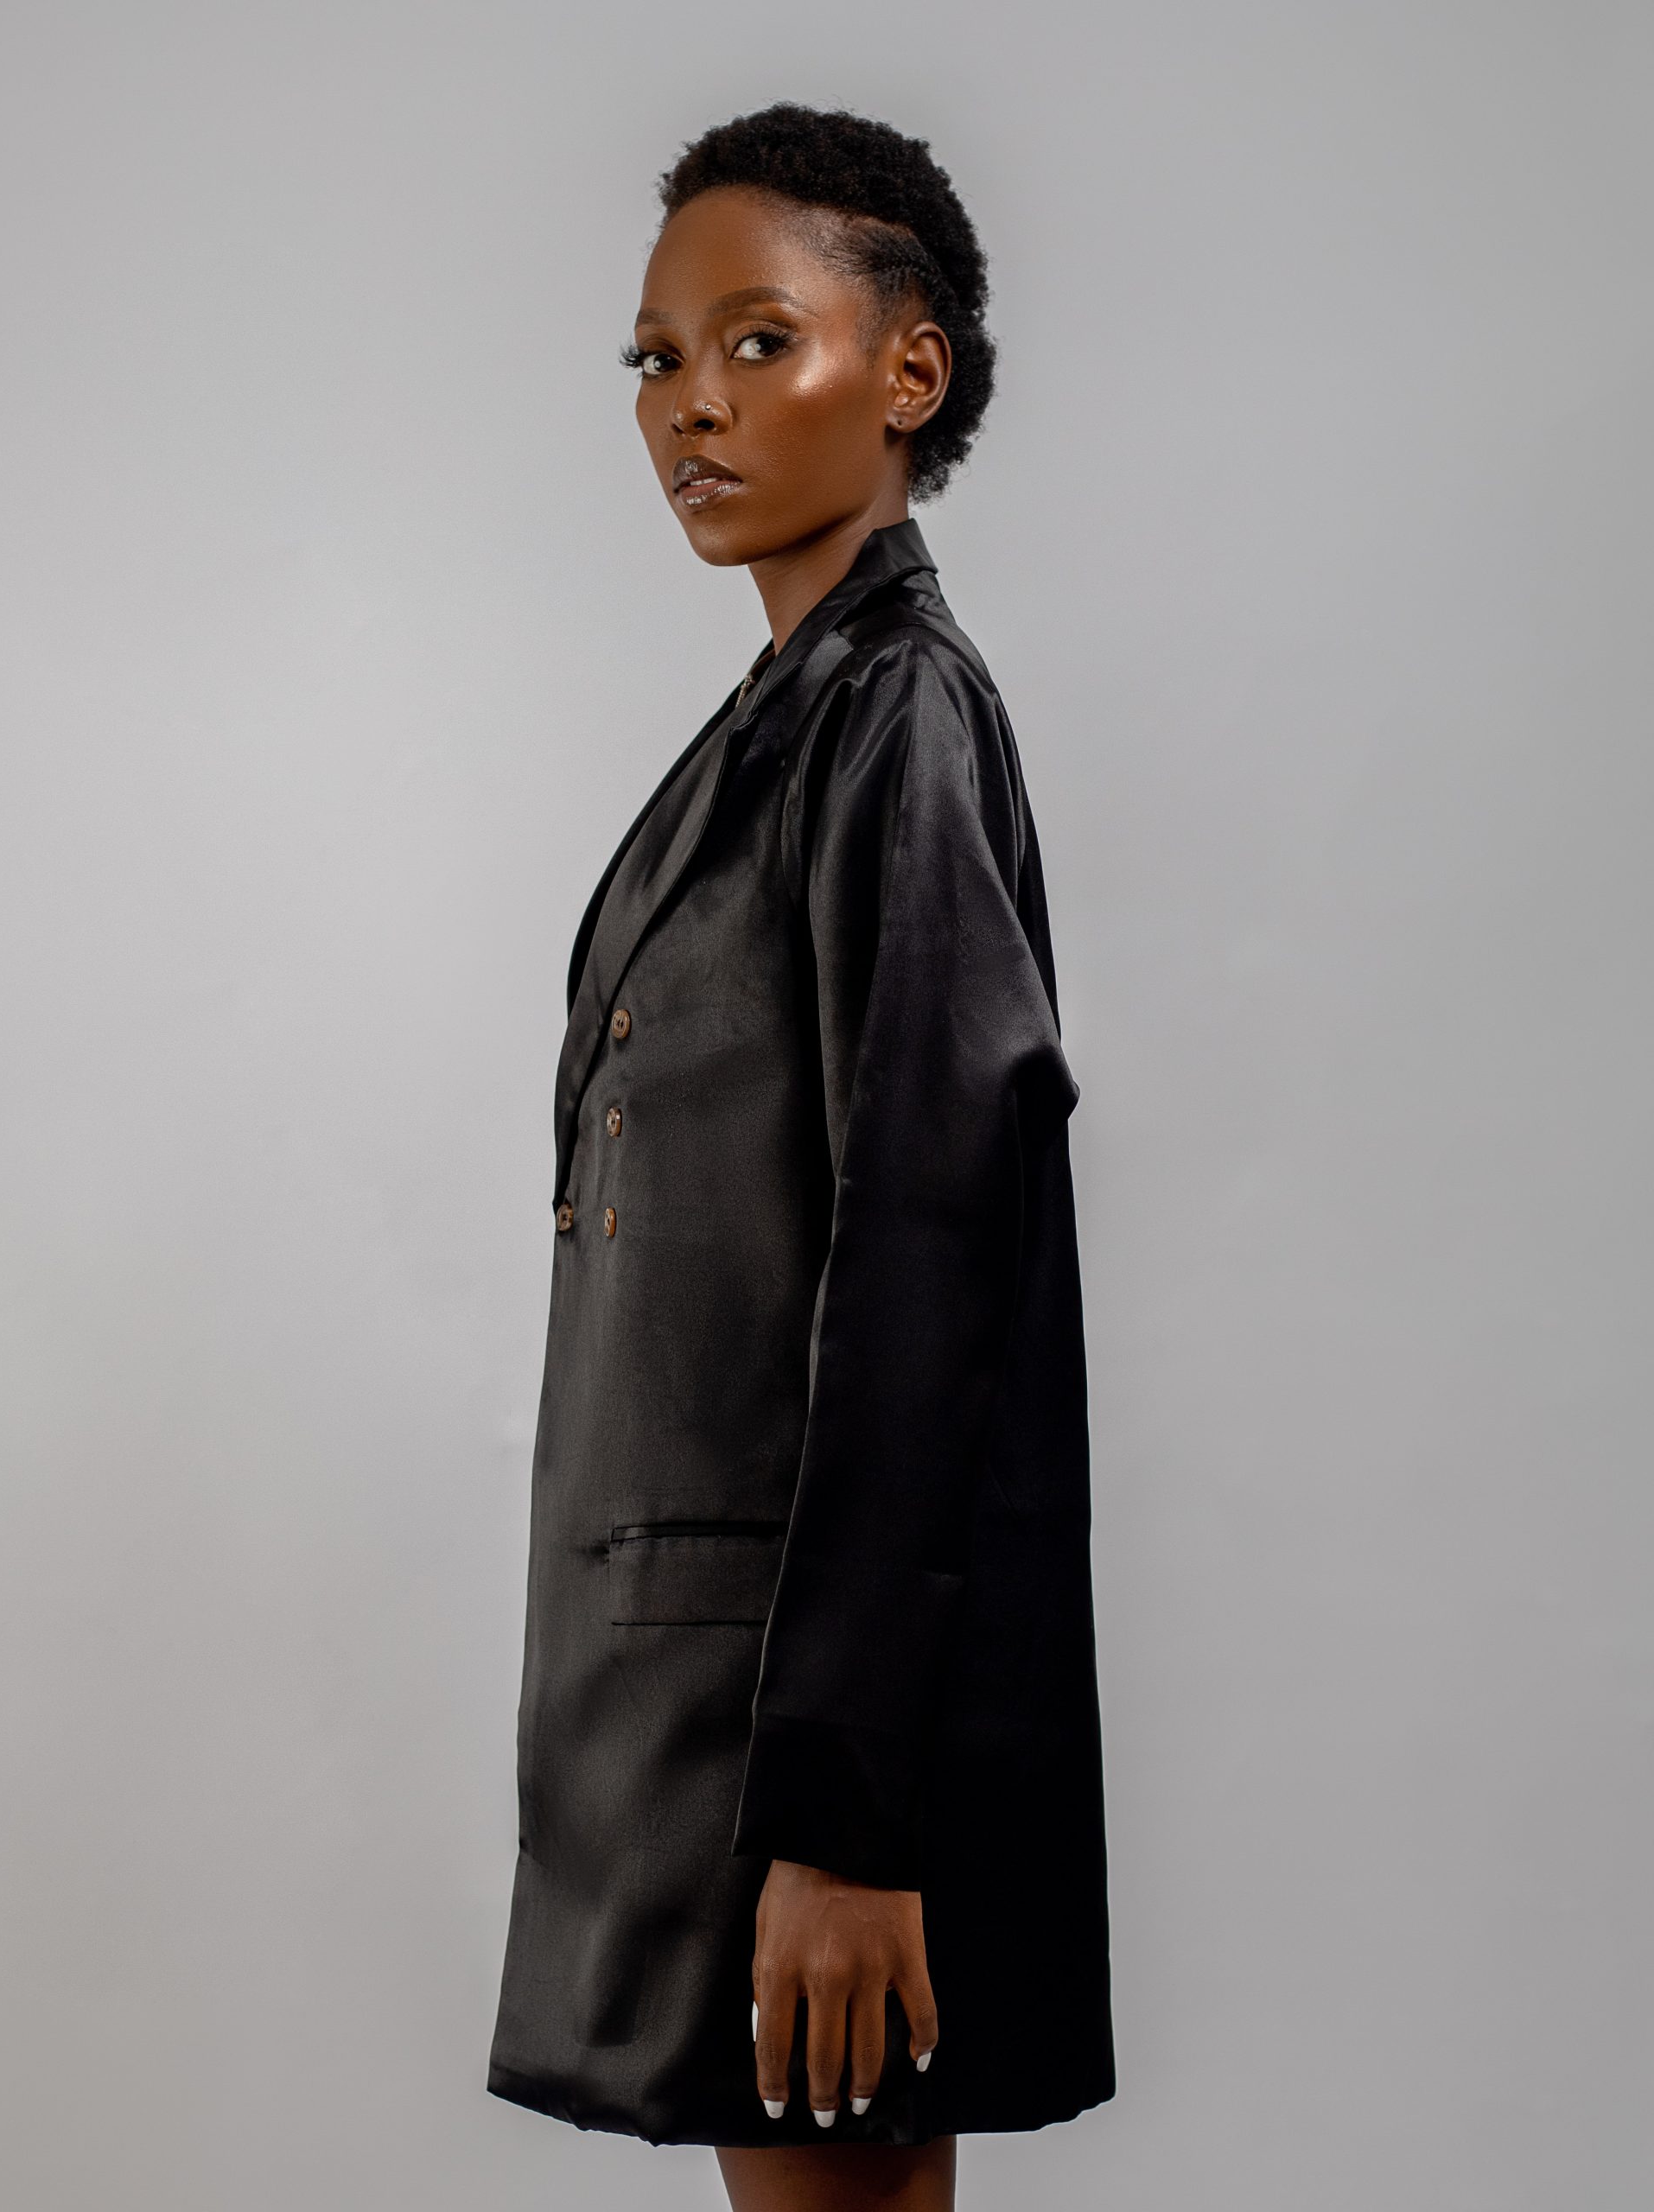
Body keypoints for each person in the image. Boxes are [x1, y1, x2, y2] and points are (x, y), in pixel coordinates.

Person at [487, 102, 1114, 2212]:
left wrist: (848, 1818)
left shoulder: (895, 716)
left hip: (806, 1746)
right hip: (705, 1712)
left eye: (759, 341)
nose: (693, 404)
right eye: (658, 359)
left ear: (906, 370)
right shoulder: (769, 732)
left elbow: (931, 1245)